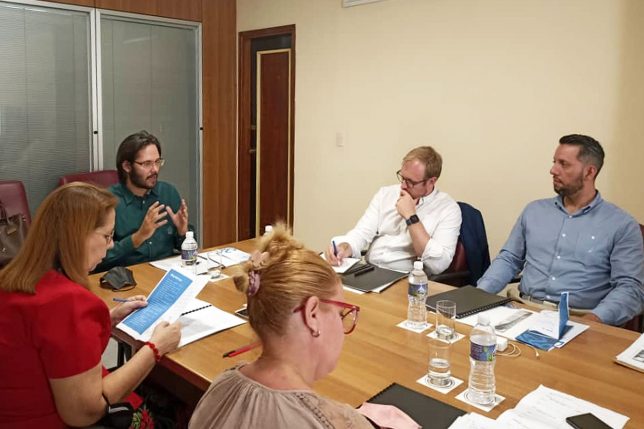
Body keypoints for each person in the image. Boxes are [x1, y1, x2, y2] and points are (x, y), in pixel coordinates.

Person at [189, 225, 419, 429]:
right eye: (340, 314)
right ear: (312, 314)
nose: (342, 326)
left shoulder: (221, 385)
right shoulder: (330, 422)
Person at [0, 183, 181, 428]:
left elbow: (52, 342)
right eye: (107, 236)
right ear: (78, 237)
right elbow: (85, 413)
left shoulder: (14, 278)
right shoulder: (69, 302)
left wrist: (108, 319)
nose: (111, 245)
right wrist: (156, 348)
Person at [477, 134, 644, 326]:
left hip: (580, 318)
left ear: (589, 172)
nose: (553, 170)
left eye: (564, 164)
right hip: (523, 309)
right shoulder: (534, 211)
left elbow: (630, 288)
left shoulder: (621, 225)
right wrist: (478, 295)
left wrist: (593, 321)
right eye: (554, 162)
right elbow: (509, 259)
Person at [325, 146, 461, 274]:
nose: (403, 186)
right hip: (369, 270)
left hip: (408, 279)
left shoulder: (448, 209)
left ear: (431, 181)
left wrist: (411, 216)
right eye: (402, 177)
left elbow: (439, 264)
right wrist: (344, 247)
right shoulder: (385, 194)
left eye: (411, 182)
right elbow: (361, 233)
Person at [96, 130, 190, 272]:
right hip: (126, 277)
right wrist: (138, 237)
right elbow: (97, 261)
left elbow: (188, 252)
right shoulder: (107, 202)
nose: (155, 169)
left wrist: (183, 232)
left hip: (166, 273)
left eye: (157, 162)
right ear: (127, 166)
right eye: (147, 164)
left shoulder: (168, 192)